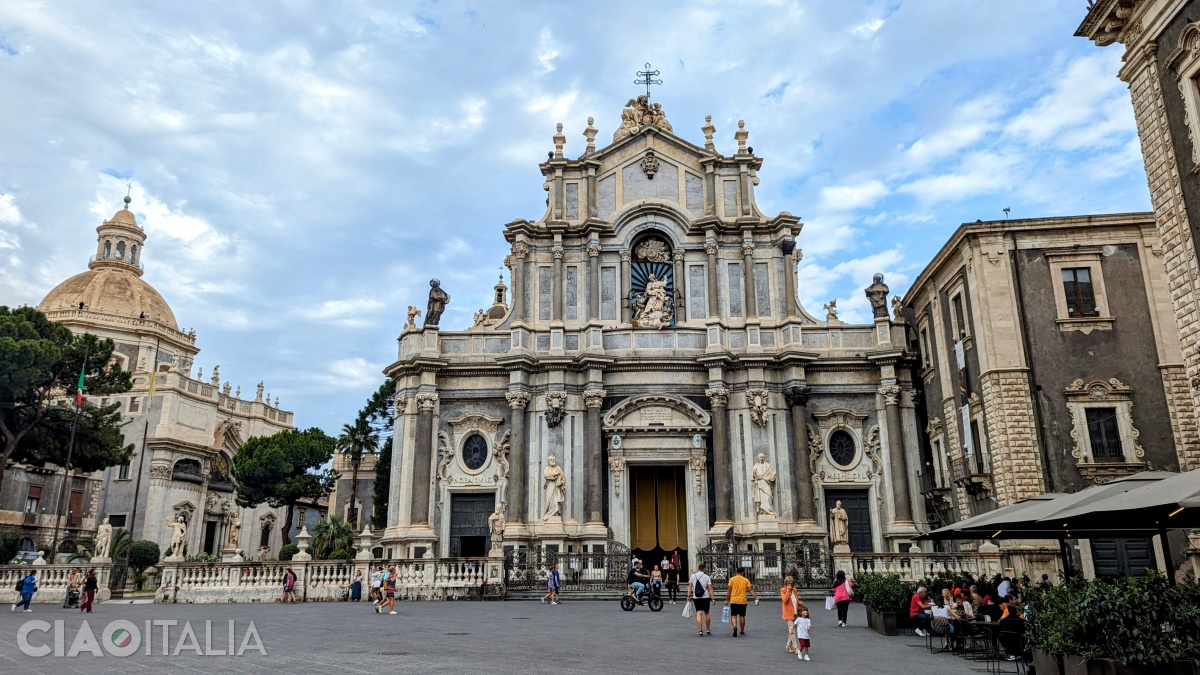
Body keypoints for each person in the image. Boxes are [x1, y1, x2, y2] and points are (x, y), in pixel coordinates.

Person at [724, 566, 759, 638]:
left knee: (733, 615)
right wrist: (756, 597)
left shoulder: (732, 579)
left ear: (736, 572)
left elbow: (729, 591)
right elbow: (750, 590)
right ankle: (742, 631)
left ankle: (734, 627)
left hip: (734, 600)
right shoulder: (746, 580)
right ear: (742, 572)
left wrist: (727, 600)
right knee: (742, 616)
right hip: (742, 601)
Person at [688, 562, 714, 637]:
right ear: (704, 569)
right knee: (707, 612)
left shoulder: (693, 576)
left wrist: (688, 596)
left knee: (699, 613)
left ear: (698, 568)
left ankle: (700, 630)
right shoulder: (707, 577)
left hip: (696, 597)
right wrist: (713, 598)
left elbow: (690, 587)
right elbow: (710, 588)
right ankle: (708, 629)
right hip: (705, 597)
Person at [780, 575, 801, 653]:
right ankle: (796, 647)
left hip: (795, 612)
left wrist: (799, 602)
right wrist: (788, 591)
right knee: (792, 630)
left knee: (791, 631)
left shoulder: (794, 590)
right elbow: (784, 600)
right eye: (788, 583)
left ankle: (788, 646)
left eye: (791, 584)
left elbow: (796, 599)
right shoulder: (783, 590)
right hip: (788, 613)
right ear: (785, 583)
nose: (790, 585)